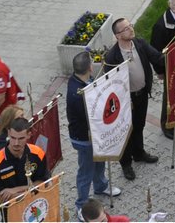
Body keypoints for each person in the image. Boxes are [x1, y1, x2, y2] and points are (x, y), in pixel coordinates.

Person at [103, 16, 164, 181]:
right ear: (117, 36)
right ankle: (126, 163)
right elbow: (111, 85)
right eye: (126, 28)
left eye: (130, 25)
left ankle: (139, 153)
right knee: (126, 132)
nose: (131, 29)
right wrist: (122, 101)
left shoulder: (140, 43)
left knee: (139, 125)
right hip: (126, 101)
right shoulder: (112, 57)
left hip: (142, 94)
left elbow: (157, 57)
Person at [66, 51, 120, 204]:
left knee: (100, 160)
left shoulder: (79, 80)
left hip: (93, 134)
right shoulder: (78, 94)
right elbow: (92, 115)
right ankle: (81, 204)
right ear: (90, 67)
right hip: (84, 138)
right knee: (86, 171)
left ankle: (100, 186)